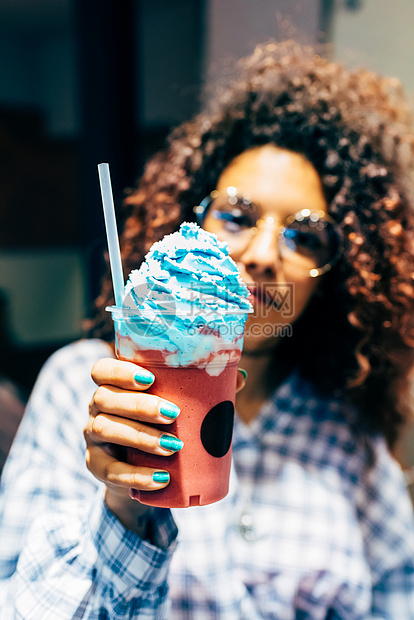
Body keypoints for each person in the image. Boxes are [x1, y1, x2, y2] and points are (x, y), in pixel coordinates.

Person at [1, 40, 414, 618]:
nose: (265, 254)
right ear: (189, 223)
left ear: (339, 280)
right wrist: (123, 508)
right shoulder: (84, 387)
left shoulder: (345, 434)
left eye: (306, 236)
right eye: (239, 216)